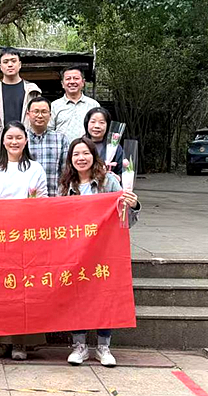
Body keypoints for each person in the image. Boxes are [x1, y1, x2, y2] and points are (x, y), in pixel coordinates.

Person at [59, 137, 140, 368]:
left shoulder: (109, 181)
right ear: (70, 159)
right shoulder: (65, 186)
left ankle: (104, 347)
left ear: (94, 156)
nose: (81, 158)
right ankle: (79, 346)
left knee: (105, 296)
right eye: (76, 154)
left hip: (104, 251)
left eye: (86, 153)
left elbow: (125, 221)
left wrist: (133, 205)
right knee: (77, 296)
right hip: (76, 252)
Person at [0, 120, 48, 360]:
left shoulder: (35, 168)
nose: (14, 142)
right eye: (10, 137)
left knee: (23, 292)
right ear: (3, 141)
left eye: (19, 137)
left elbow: (42, 200)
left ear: (25, 141)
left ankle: (21, 343)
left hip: (25, 238)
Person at [0, 47, 42, 154]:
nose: (10, 65)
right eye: (6, 62)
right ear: (0, 67)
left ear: (20, 64)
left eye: (13, 61)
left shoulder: (32, 91)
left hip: (27, 146)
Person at [26, 97, 69, 197]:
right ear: (28, 114)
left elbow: (65, 171)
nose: (40, 115)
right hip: (26, 198)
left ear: (50, 115)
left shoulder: (60, 139)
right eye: (36, 111)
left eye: (44, 112)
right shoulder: (21, 138)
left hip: (54, 196)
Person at [48, 67, 100, 142]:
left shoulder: (93, 105)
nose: (72, 82)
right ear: (62, 84)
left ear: (83, 82)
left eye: (76, 78)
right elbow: (49, 130)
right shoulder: (54, 106)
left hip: (87, 148)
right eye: (68, 79)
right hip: (61, 148)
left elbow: (99, 129)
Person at [83, 107, 123, 176]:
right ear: (87, 124)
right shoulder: (79, 145)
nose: (97, 126)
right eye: (93, 122)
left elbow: (123, 172)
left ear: (108, 125)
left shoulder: (114, 147)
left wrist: (115, 176)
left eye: (101, 122)